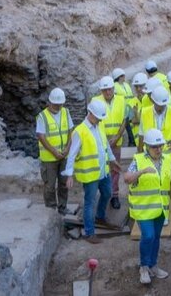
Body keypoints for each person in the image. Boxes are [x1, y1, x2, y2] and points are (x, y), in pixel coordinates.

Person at [63, 99, 120, 244]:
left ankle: (100, 216)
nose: (100, 120)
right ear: (90, 114)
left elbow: (105, 145)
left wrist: (112, 160)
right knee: (90, 202)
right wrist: (69, 174)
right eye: (98, 117)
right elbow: (72, 154)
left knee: (107, 193)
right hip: (90, 175)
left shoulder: (99, 126)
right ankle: (89, 232)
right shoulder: (79, 132)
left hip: (103, 172)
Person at [125, 128, 171, 285]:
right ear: (146, 146)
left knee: (156, 238)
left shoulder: (167, 160)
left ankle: (153, 265)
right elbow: (127, 178)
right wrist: (142, 172)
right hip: (143, 210)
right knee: (148, 236)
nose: (158, 149)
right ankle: (144, 267)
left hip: (161, 209)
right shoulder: (138, 160)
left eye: (160, 146)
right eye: (155, 147)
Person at [91, 76, 128, 210]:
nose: (108, 92)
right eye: (105, 90)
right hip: (101, 140)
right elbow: (93, 121)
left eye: (110, 89)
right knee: (101, 168)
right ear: (101, 90)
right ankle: (104, 194)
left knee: (115, 169)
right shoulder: (95, 101)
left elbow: (125, 120)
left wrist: (117, 136)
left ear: (113, 88)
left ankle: (114, 195)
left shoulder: (121, 100)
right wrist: (105, 140)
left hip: (116, 141)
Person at [36, 88, 73, 214]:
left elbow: (70, 132)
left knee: (63, 185)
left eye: (60, 104)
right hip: (49, 159)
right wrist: (54, 152)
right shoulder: (42, 116)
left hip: (63, 156)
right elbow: (41, 136)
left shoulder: (66, 113)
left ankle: (63, 207)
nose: (58, 107)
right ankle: (51, 210)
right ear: (50, 102)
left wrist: (67, 148)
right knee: (50, 186)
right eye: (56, 104)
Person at [139, 86, 171, 158]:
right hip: (150, 153)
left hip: (168, 153)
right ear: (153, 101)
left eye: (164, 105)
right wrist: (139, 153)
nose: (162, 107)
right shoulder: (145, 112)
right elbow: (141, 134)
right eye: (160, 105)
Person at [113, 68, 137, 147]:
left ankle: (132, 141)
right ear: (118, 77)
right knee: (127, 126)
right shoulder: (115, 86)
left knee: (132, 125)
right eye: (122, 76)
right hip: (122, 110)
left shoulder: (126, 85)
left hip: (130, 108)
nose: (124, 77)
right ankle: (132, 141)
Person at [130, 72, 149, 147]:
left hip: (151, 142)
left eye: (141, 86)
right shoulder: (131, 102)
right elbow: (132, 121)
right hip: (137, 142)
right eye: (136, 86)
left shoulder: (152, 100)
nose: (138, 89)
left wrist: (137, 115)